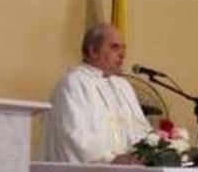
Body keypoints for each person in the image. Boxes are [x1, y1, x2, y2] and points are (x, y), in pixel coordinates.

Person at [44, 23, 152, 164]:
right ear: (93, 51)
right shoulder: (73, 83)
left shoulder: (123, 86)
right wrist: (110, 159)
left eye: (123, 48)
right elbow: (73, 136)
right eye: (114, 47)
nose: (122, 54)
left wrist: (153, 150)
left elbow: (140, 128)